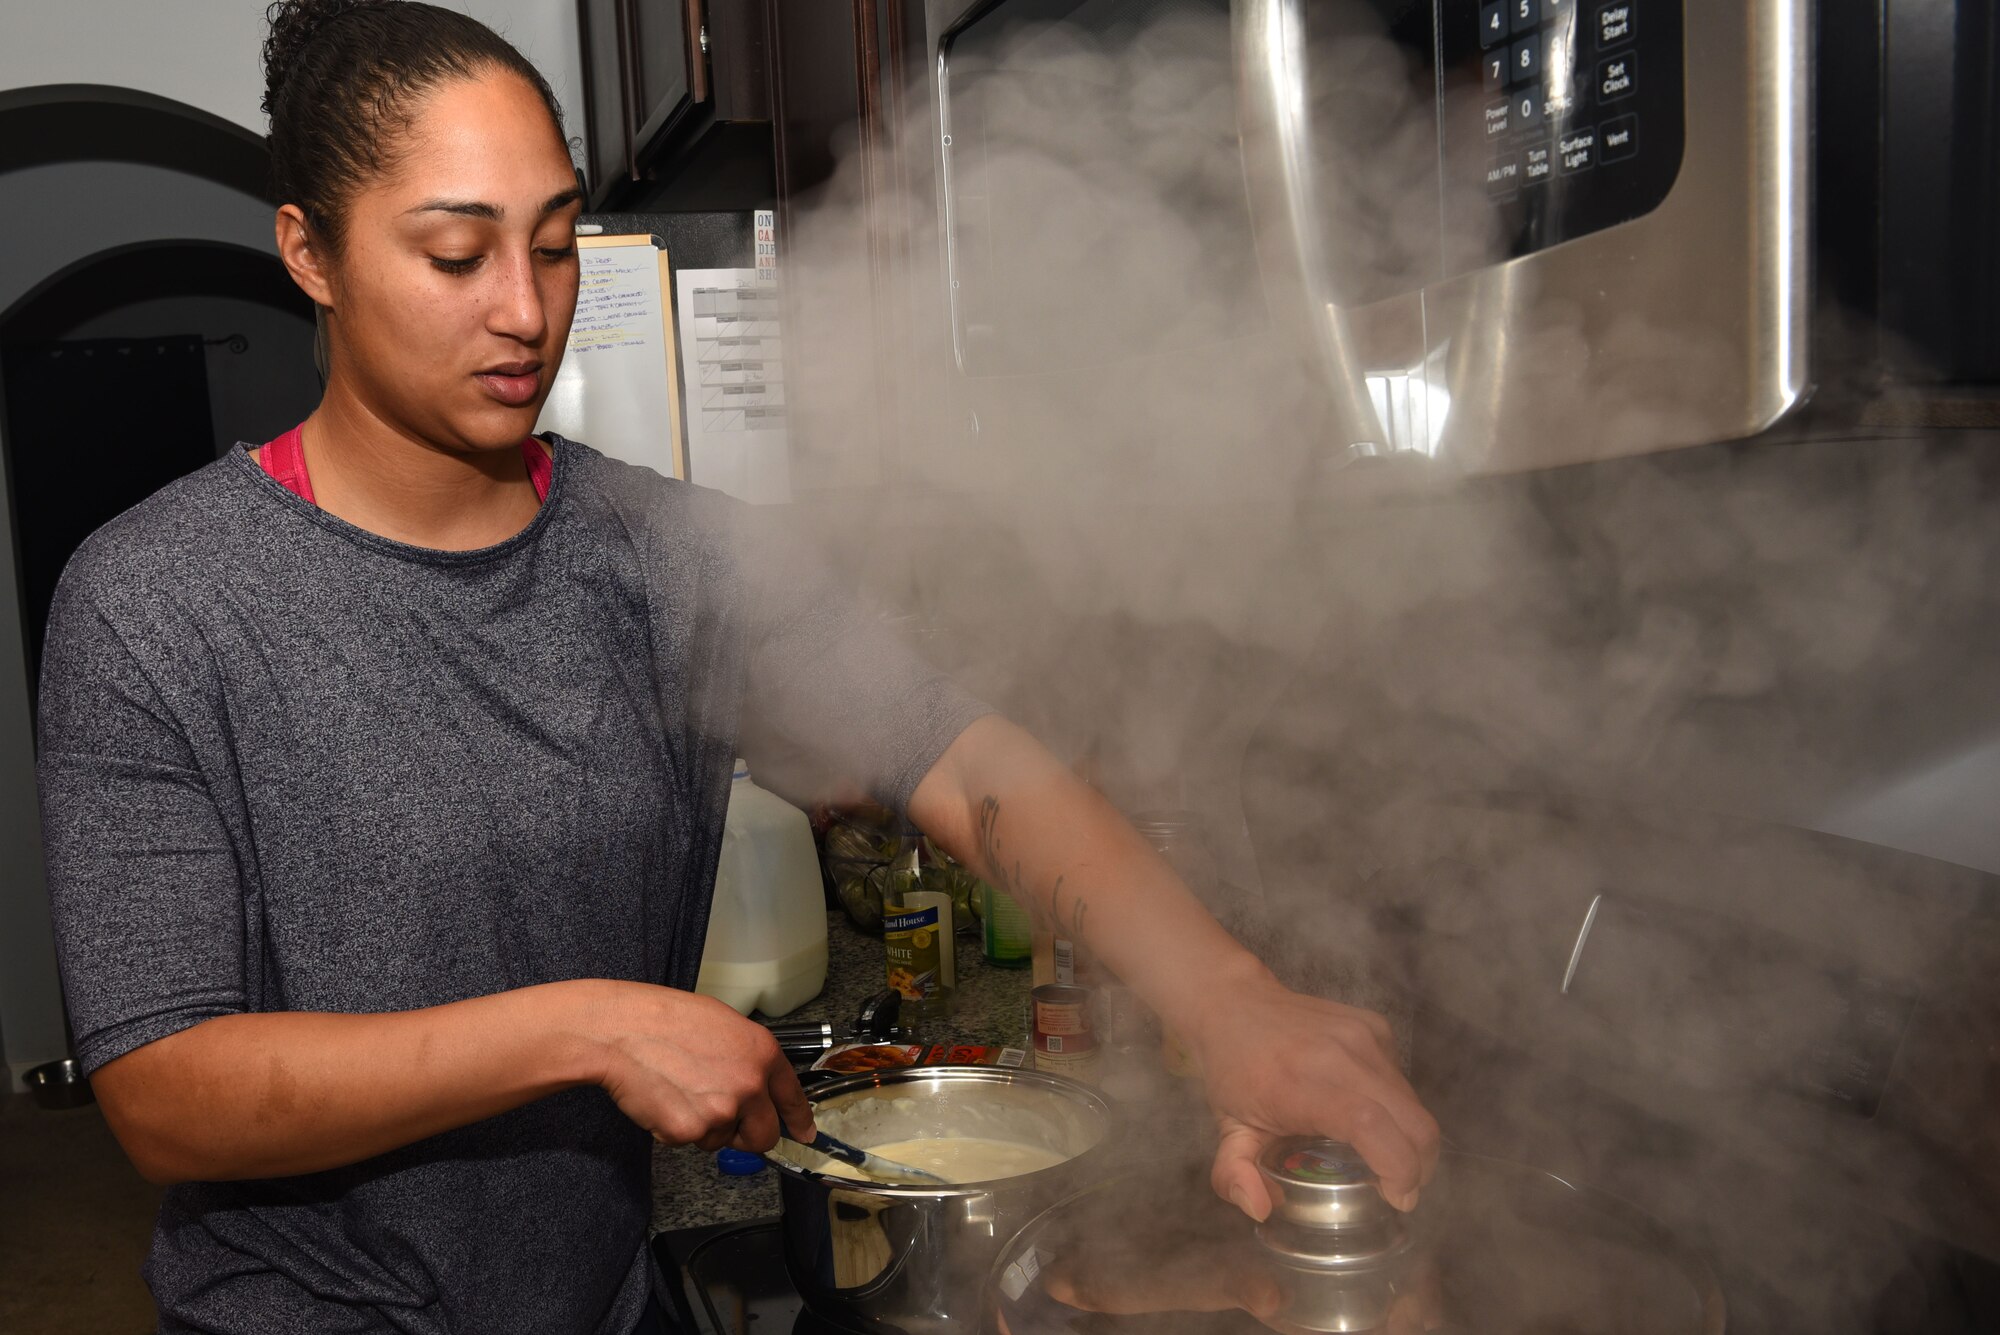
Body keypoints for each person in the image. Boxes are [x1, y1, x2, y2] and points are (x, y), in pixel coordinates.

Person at [35, 3, 1439, 1332]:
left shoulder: (666, 554)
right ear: (311, 252)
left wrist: (1233, 1000)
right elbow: (169, 1090)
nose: (526, 311)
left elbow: (958, 747)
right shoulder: (156, 601)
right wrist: (584, 1028)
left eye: (558, 241)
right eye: (458, 255)